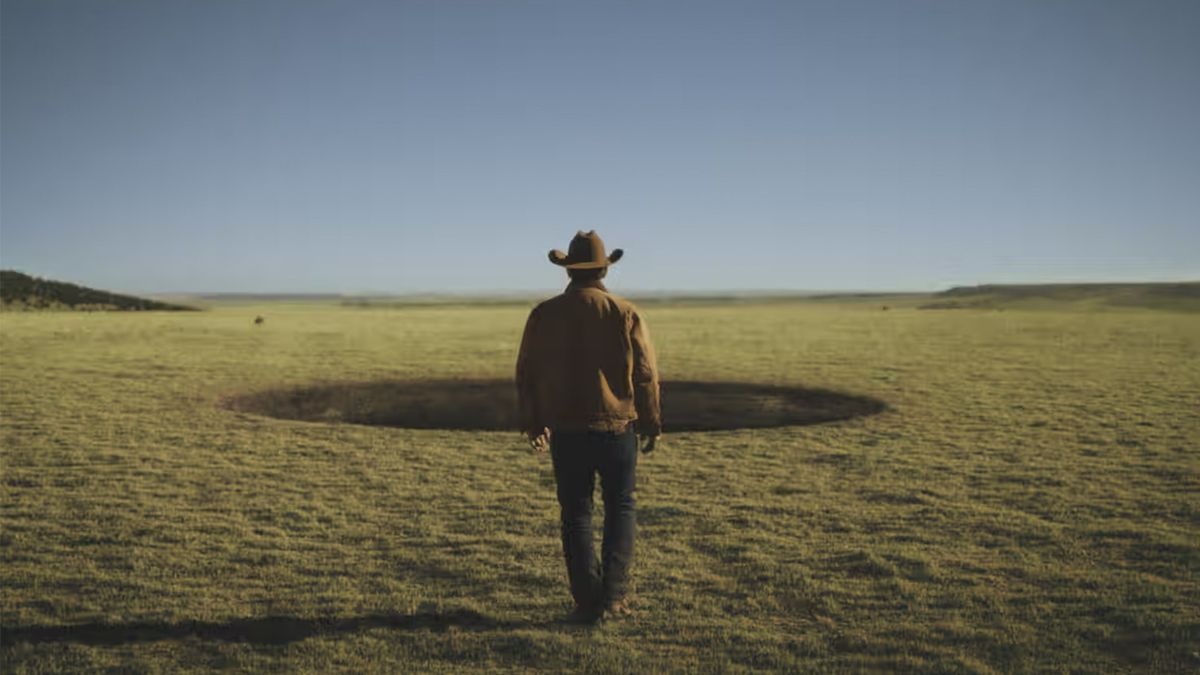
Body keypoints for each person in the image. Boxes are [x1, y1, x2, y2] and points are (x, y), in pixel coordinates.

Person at [515, 230, 663, 624]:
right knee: (621, 508)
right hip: (618, 428)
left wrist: (534, 422)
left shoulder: (543, 314)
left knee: (576, 514)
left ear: (568, 270)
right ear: (602, 269)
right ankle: (613, 599)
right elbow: (646, 373)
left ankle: (585, 602)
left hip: (567, 428)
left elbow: (527, 373)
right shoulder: (624, 311)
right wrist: (651, 420)